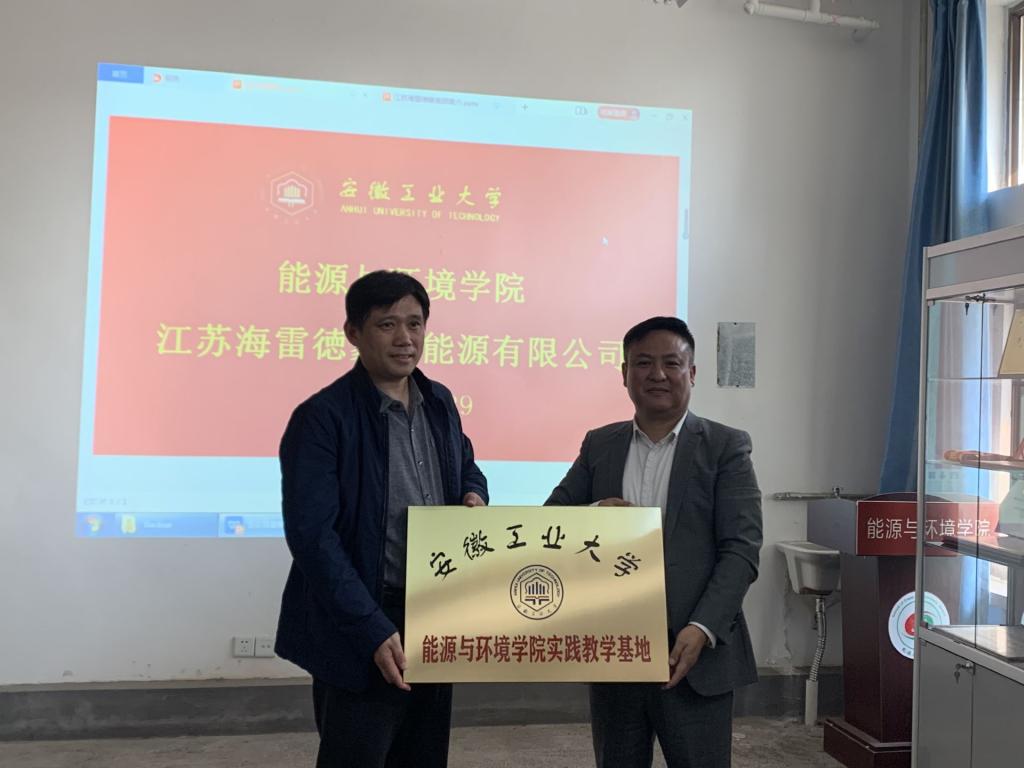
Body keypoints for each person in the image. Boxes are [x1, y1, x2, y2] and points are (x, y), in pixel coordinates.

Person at [274, 270, 488, 768]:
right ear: (353, 333)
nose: (405, 338)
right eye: (387, 325)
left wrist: (474, 494)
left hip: (435, 610)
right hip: (361, 619)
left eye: (415, 323)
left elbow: (467, 464)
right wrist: (369, 626)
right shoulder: (323, 417)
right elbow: (312, 537)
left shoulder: (439, 401)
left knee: (424, 754)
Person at [546, 316, 762, 768]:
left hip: (694, 654)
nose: (657, 375)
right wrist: (593, 514)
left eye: (671, 363)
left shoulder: (725, 447)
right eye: (643, 363)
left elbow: (741, 550)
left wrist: (701, 628)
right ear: (624, 373)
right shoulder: (600, 445)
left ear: (692, 372)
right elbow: (551, 522)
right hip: (616, 652)